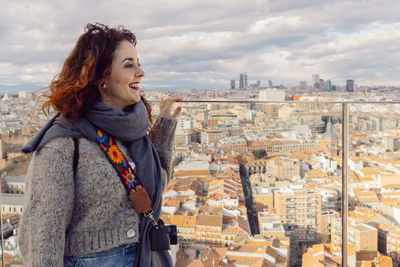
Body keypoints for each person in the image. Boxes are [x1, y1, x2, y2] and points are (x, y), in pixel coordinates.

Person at [18, 23, 181, 267]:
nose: (141, 72)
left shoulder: (132, 133)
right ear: (102, 78)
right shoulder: (63, 146)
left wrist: (164, 127)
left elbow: (153, 188)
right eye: (129, 65)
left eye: (139, 63)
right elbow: (42, 241)